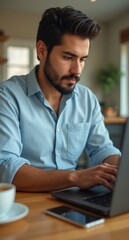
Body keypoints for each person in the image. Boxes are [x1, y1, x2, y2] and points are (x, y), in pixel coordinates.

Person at [0, 6, 120, 192]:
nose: (77, 70)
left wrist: (122, 170)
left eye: (82, 59)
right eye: (68, 57)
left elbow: (102, 149)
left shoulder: (87, 99)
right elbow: (6, 166)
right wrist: (75, 177)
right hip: (26, 203)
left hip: (73, 200)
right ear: (41, 50)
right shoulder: (8, 95)